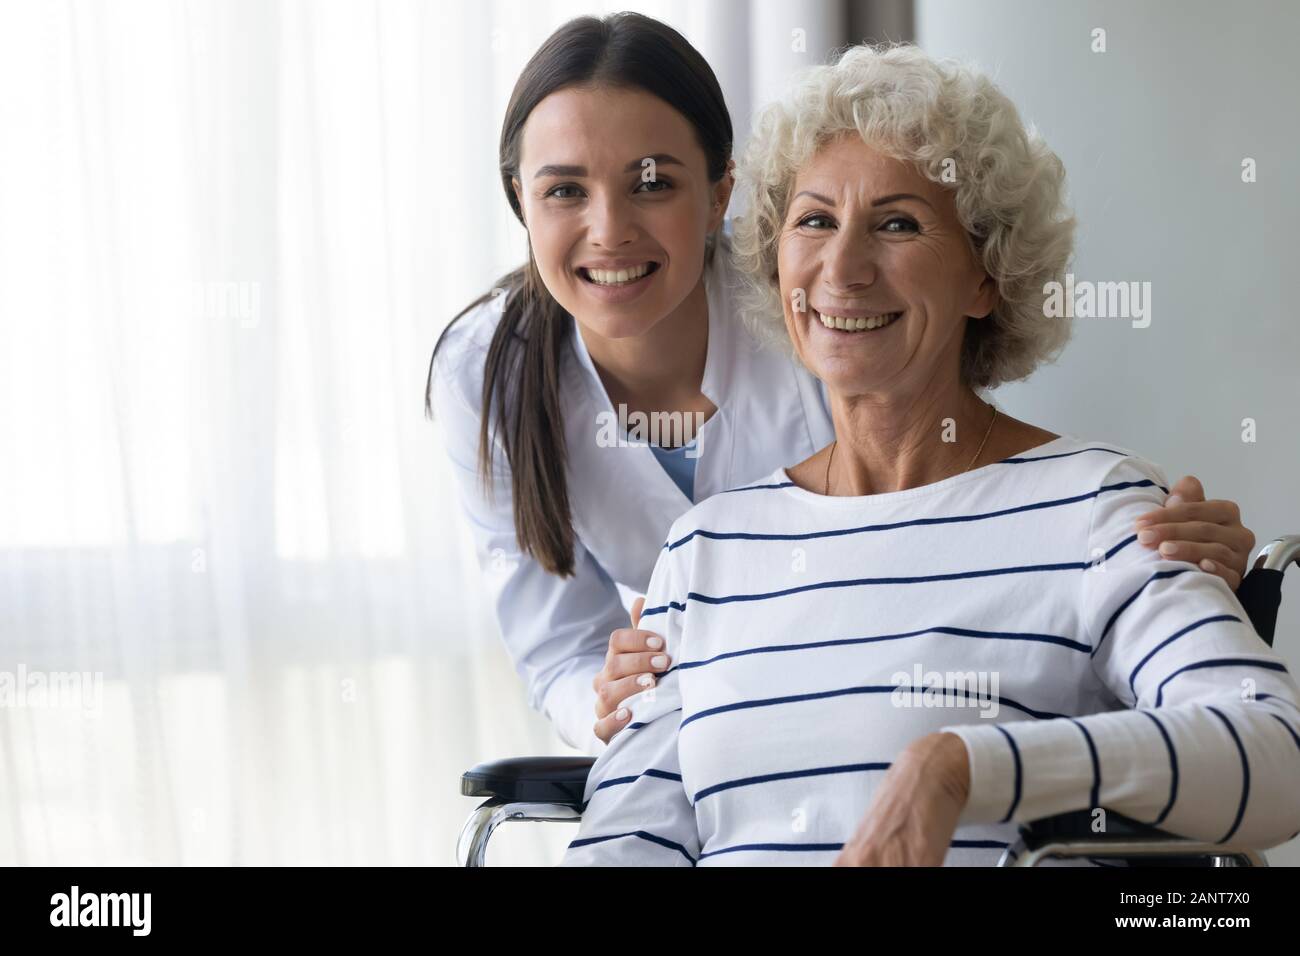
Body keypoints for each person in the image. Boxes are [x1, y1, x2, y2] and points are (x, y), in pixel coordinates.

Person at [428, 13, 1257, 757]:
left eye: (653, 183)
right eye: (564, 189)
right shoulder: (484, 373)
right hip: (719, 733)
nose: (609, 229)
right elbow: (562, 654)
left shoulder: (824, 319)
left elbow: (946, 526)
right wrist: (617, 708)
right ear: (518, 199)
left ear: (722, 194)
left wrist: (1137, 560)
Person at [560, 42, 1300, 866]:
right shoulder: (707, 547)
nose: (842, 268)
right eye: (813, 221)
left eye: (898, 223)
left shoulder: (1095, 509)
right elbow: (630, 838)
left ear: (986, 277)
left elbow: (1273, 757)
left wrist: (965, 766)